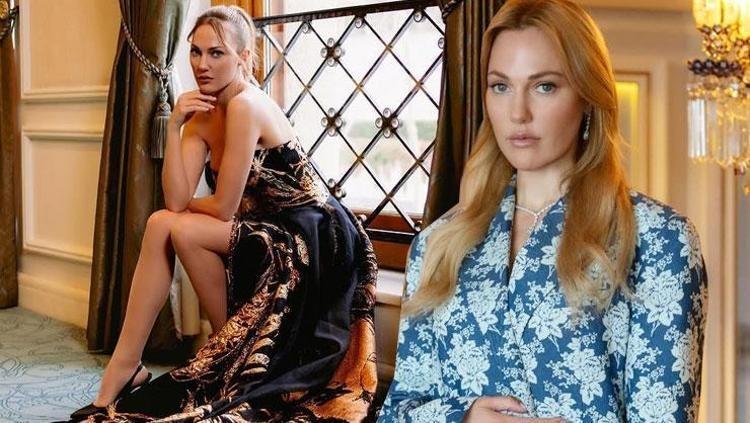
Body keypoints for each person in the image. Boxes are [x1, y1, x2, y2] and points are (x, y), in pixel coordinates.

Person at [379, 0, 708, 422]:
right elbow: (399, 411)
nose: (518, 113)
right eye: (501, 86)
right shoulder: (439, 244)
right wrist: (465, 417)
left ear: (588, 96)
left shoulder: (660, 240)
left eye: (544, 86)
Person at [70, 5, 378, 422]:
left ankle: (225, 348)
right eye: (196, 52)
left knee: (180, 228)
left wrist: (185, 207)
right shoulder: (202, 114)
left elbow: (222, 206)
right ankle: (125, 368)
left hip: (314, 236)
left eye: (216, 53)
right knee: (164, 223)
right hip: (266, 228)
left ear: (244, 57)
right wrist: (176, 124)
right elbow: (175, 200)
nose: (202, 64)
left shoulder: (246, 106)